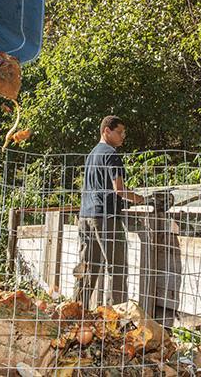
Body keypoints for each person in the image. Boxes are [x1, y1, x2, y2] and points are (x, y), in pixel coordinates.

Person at [74, 115, 145, 309]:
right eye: (120, 132)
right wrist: (141, 199)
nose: (123, 136)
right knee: (117, 267)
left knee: (88, 267)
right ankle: (116, 316)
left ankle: (76, 311)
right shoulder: (111, 154)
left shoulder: (92, 155)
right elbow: (119, 190)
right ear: (107, 131)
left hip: (85, 216)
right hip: (106, 218)